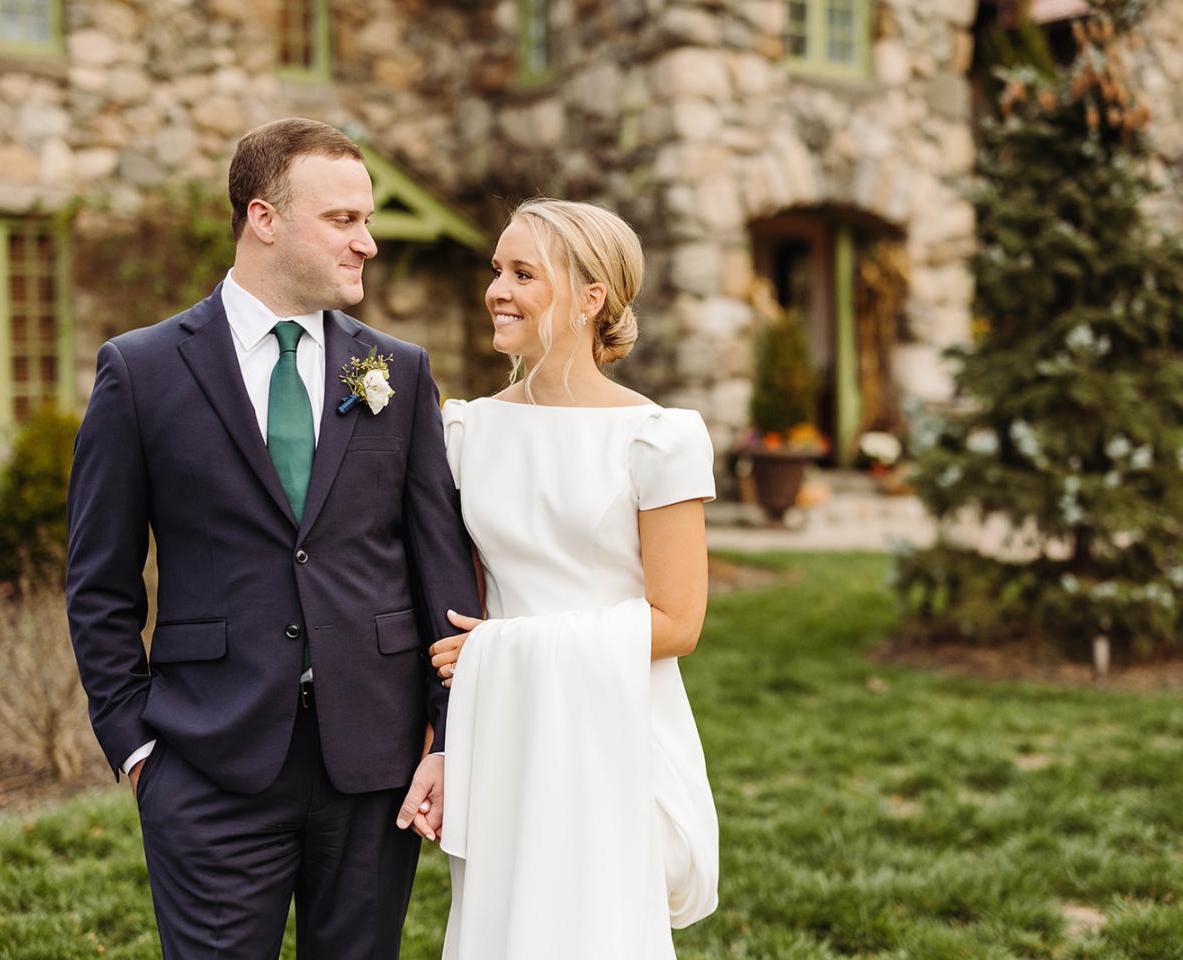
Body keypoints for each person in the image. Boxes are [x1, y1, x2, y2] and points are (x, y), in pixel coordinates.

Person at [65, 118, 481, 958]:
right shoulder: (141, 372)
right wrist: (138, 748)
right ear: (263, 218)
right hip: (207, 765)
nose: (366, 243)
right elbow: (99, 583)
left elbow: (443, 573)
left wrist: (447, 738)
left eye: (367, 221)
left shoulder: (399, 373)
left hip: (374, 766)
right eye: (342, 221)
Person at [432, 198, 720, 958]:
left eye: (523, 273)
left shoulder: (656, 439)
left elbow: (678, 622)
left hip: (608, 728)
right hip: (502, 728)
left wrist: (502, 649)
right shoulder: (466, 431)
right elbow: (465, 596)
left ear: (592, 299)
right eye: (497, 269)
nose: (498, 288)